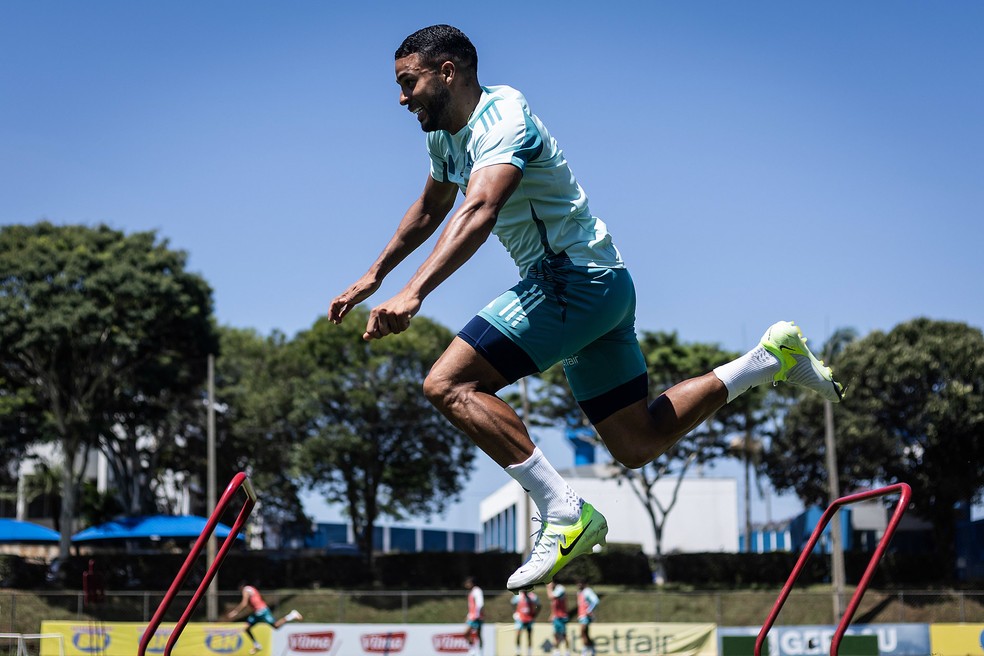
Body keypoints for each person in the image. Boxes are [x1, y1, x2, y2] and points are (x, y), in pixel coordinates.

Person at [328, 24, 844, 592]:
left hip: (571, 280)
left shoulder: (504, 119)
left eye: (409, 83)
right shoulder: (444, 134)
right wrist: (375, 276)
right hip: (600, 287)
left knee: (447, 384)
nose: (401, 99)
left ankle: (564, 511)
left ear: (447, 71)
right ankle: (770, 357)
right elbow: (433, 206)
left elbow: (479, 209)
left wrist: (415, 292)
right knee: (637, 441)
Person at [226, 582, 303, 654]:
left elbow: (244, 603)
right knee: (247, 628)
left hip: (261, 612)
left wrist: (235, 612)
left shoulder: (245, 590)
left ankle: (292, 615)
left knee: (275, 626)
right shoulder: (252, 589)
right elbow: (258, 599)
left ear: (240, 587)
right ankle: (257, 645)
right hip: (259, 612)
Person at [511, 588, 541, 656]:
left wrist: (534, 614)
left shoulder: (533, 596)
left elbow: (539, 605)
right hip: (520, 619)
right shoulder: (518, 596)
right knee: (518, 634)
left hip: (529, 619)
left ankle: (529, 653)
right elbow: (512, 603)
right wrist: (515, 613)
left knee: (529, 636)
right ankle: (518, 651)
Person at [546, 581, 570, 656]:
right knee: (555, 635)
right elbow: (554, 604)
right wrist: (552, 614)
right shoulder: (555, 589)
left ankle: (567, 652)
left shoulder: (560, 588)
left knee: (564, 635)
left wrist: (548, 588)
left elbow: (551, 597)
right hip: (556, 617)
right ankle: (557, 652)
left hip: (562, 617)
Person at [575, 579, 599, 656]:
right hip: (582, 616)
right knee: (585, 634)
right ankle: (592, 650)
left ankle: (585, 651)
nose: (578, 585)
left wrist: (589, 610)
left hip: (586, 616)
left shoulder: (587, 591)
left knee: (583, 632)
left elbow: (595, 600)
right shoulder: (579, 592)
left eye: (580, 583)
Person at [463, 576, 485, 656]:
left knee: (466, 633)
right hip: (473, 616)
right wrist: (468, 615)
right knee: (478, 635)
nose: (466, 584)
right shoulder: (472, 592)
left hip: (476, 617)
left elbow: (480, 603)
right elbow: (471, 606)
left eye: (468, 583)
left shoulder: (477, 591)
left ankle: (474, 652)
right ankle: (476, 652)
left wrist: (476, 615)